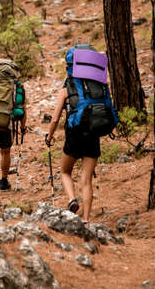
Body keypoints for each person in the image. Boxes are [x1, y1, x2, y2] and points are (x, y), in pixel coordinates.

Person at [45, 85, 100, 223]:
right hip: (93, 136)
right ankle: (86, 218)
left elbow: (55, 119)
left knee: (65, 171)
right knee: (86, 180)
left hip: (74, 136)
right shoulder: (97, 88)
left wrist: (49, 136)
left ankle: (72, 199)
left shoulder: (66, 90)